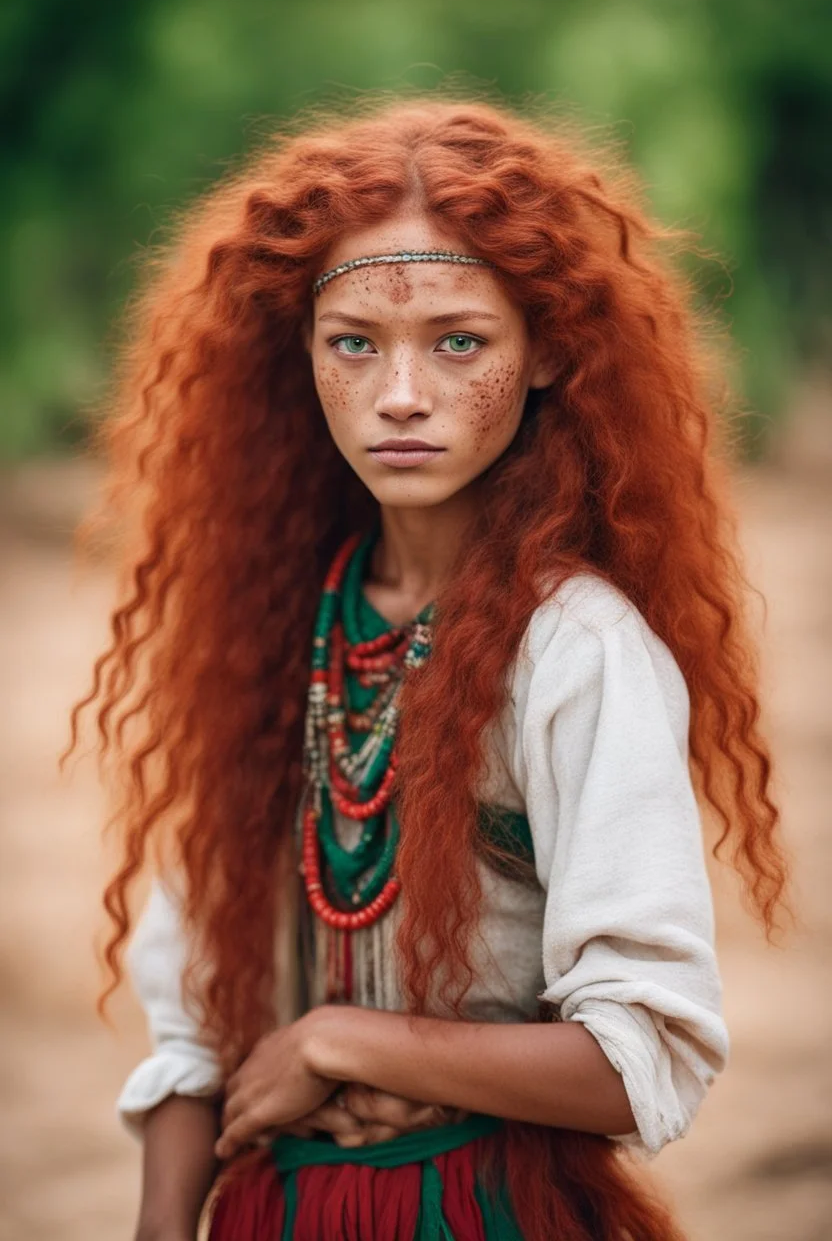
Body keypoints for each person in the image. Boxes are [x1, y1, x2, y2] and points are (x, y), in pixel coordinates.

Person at [68, 97, 788, 1240]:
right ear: (298, 354)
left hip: (485, 1210)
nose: (401, 395)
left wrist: (342, 1040)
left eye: (459, 341)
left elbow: (641, 1059)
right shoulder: (267, 639)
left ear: (547, 350)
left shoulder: (576, 652)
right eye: (354, 341)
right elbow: (195, 1031)